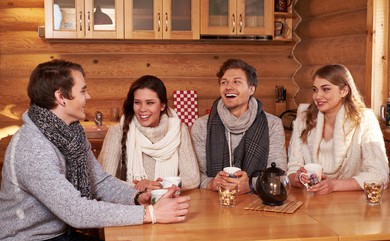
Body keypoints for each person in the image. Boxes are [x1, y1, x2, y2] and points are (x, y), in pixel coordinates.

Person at [0, 60, 190, 241]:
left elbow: (99, 181)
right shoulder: (32, 146)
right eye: (83, 91)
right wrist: (150, 214)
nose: (88, 96)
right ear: (61, 97)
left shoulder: (72, 133)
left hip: (61, 237)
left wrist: (136, 197)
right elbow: (76, 210)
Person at [287, 64, 389, 194]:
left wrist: (334, 185)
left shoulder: (365, 120)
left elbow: (379, 175)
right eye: (315, 89)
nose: (317, 96)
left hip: (351, 205)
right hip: (312, 202)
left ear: (344, 91)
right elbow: (292, 168)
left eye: (325, 89)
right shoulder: (303, 119)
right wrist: (297, 178)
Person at [191, 58, 287, 195]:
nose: (228, 86)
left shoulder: (272, 124)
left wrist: (251, 185)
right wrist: (211, 183)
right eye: (224, 82)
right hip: (214, 203)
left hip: (257, 205)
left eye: (237, 81)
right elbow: (195, 176)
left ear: (251, 89)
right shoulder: (202, 125)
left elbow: (280, 176)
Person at [98, 75, 200, 191]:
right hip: (131, 206)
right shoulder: (117, 132)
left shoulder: (179, 130)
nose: (142, 109)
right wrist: (141, 188)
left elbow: (192, 178)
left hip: (170, 203)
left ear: (162, 105)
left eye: (150, 103)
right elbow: (104, 181)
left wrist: (159, 185)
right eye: (137, 102)